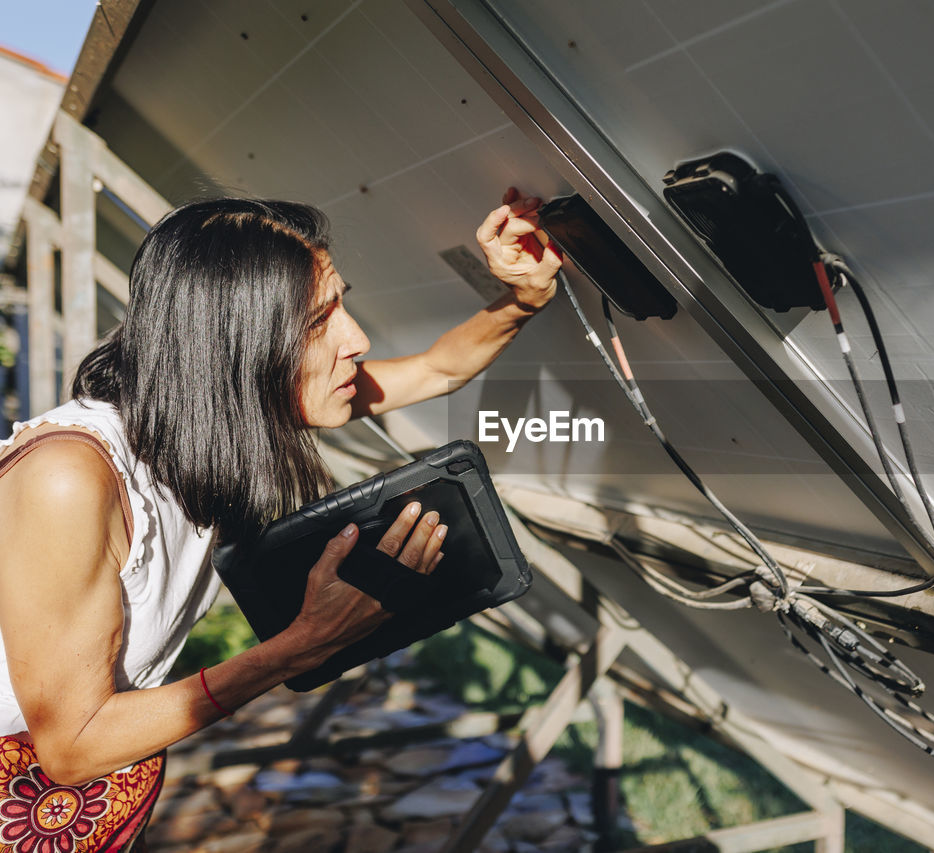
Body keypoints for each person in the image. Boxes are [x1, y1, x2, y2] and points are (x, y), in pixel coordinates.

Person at [0, 188, 560, 851]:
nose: (357, 338)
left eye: (341, 305)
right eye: (320, 320)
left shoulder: (218, 411)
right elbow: (72, 746)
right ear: (237, 346)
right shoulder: (68, 480)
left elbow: (437, 369)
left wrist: (524, 298)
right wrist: (299, 647)